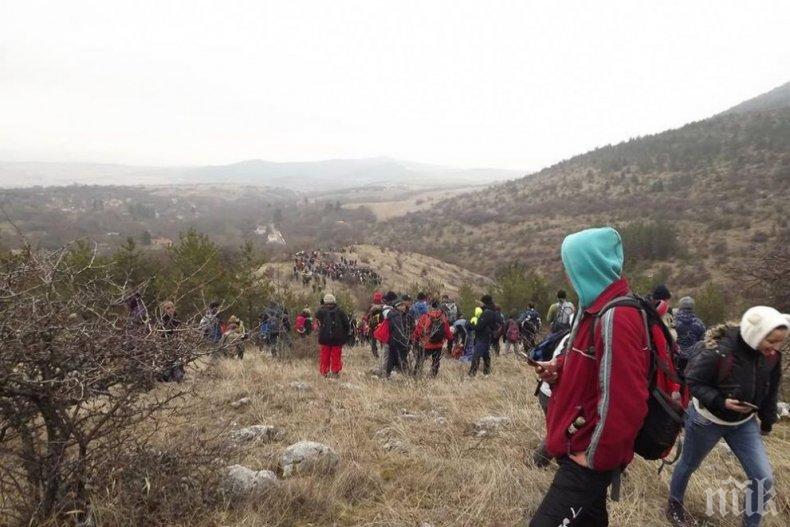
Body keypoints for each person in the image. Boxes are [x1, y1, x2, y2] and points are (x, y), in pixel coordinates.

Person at [529, 227, 654, 527]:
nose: (568, 274)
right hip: (578, 441)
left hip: (588, 453)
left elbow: (627, 401)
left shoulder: (616, 317)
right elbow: (590, 364)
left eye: (571, 266)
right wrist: (558, 367)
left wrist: (596, 457)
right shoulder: (593, 309)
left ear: (588, 267)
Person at [666, 307, 786, 527]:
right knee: (689, 464)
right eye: (771, 341)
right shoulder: (720, 351)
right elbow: (693, 381)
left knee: (763, 478)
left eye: (780, 342)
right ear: (756, 334)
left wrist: (767, 421)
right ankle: (674, 505)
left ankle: (751, 524)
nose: (775, 348)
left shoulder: (772, 357)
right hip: (707, 420)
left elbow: (771, 390)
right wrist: (721, 402)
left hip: (743, 424)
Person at [412, 300, 453, 377]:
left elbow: (418, 330)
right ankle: (433, 376)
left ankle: (415, 375)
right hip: (438, 345)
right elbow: (448, 335)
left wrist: (415, 341)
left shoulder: (426, 316)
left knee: (420, 361)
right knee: (436, 362)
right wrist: (449, 347)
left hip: (425, 344)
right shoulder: (443, 319)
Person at [314, 293, 350, 378]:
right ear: (334, 301)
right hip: (337, 339)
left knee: (324, 356)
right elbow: (347, 325)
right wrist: (344, 336)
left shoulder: (321, 312)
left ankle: (324, 372)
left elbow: (317, 322)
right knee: (336, 356)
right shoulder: (340, 311)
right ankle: (335, 372)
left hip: (324, 338)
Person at [469, 295, 497, 376]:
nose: (479, 303)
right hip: (487, 336)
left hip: (482, 337)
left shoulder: (487, 312)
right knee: (485, 355)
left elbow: (479, 326)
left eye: (481, 302)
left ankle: (472, 373)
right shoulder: (492, 311)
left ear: (484, 302)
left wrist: (471, 324)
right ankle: (487, 372)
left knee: (476, 356)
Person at [385, 297, 411, 378]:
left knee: (392, 357)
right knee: (401, 358)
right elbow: (398, 331)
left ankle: (388, 374)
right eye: (401, 305)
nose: (403, 307)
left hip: (392, 340)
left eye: (403, 305)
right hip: (398, 340)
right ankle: (403, 375)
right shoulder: (396, 316)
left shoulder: (393, 314)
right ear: (397, 307)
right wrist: (404, 342)